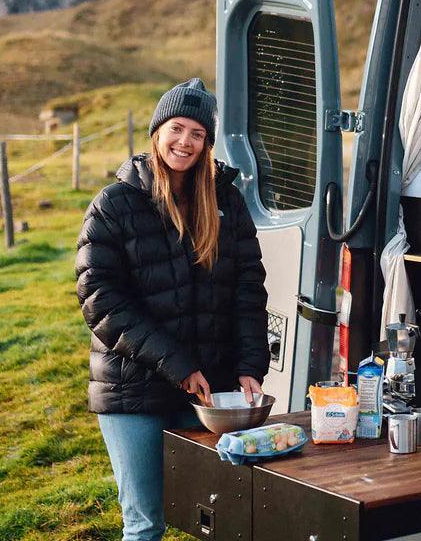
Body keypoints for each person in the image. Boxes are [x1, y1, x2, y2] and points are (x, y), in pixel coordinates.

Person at [76, 78, 269, 541]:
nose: (185, 141)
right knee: (146, 524)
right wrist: (177, 364)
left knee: (222, 517)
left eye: (197, 134)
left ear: (207, 143)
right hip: (132, 388)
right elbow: (99, 297)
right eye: (176, 128)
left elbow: (248, 287)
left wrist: (248, 364)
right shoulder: (115, 204)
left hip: (204, 389)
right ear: (157, 131)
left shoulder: (226, 201)